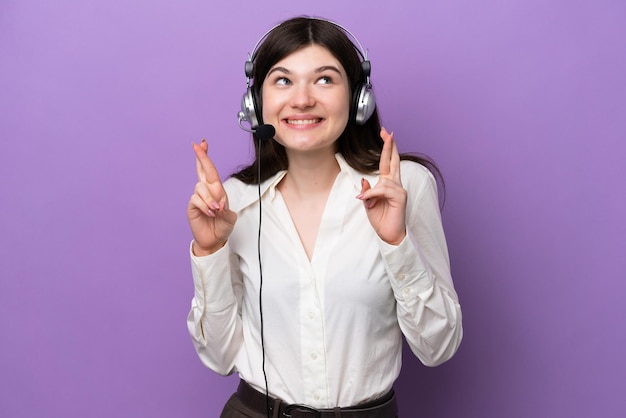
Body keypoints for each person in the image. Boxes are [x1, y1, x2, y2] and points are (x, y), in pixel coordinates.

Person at [186, 16, 462, 418]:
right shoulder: (233, 201)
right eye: (283, 81)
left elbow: (438, 347)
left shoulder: (403, 186)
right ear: (255, 101)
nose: (301, 99)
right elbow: (219, 357)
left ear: (357, 97)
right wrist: (209, 250)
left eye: (324, 80)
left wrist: (396, 244)